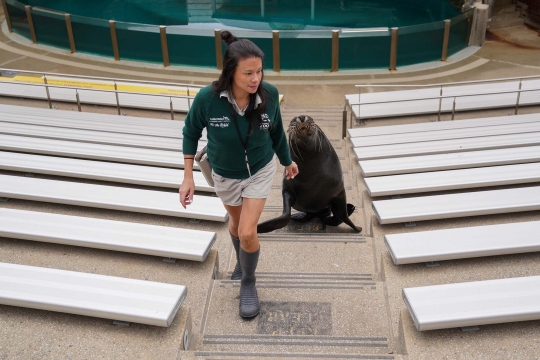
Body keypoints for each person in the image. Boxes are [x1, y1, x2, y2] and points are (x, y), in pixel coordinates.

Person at [179, 30, 299, 319]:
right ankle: (242, 262)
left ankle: (248, 281)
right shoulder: (208, 99)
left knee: (247, 230)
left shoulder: (268, 95)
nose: (255, 78)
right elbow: (190, 132)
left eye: (259, 71)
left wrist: (287, 161)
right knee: (235, 223)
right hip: (225, 174)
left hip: (259, 169)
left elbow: (277, 132)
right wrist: (188, 176)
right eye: (248, 73)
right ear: (231, 72)